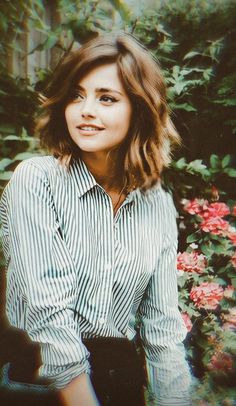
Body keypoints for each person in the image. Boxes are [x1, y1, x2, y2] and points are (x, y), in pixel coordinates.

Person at [0, 33, 192, 405]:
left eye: (106, 98)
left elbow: (163, 332)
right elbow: (48, 312)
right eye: (76, 95)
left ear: (139, 109)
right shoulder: (37, 180)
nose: (86, 109)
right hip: (44, 383)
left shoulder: (157, 204)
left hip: (121, 383)